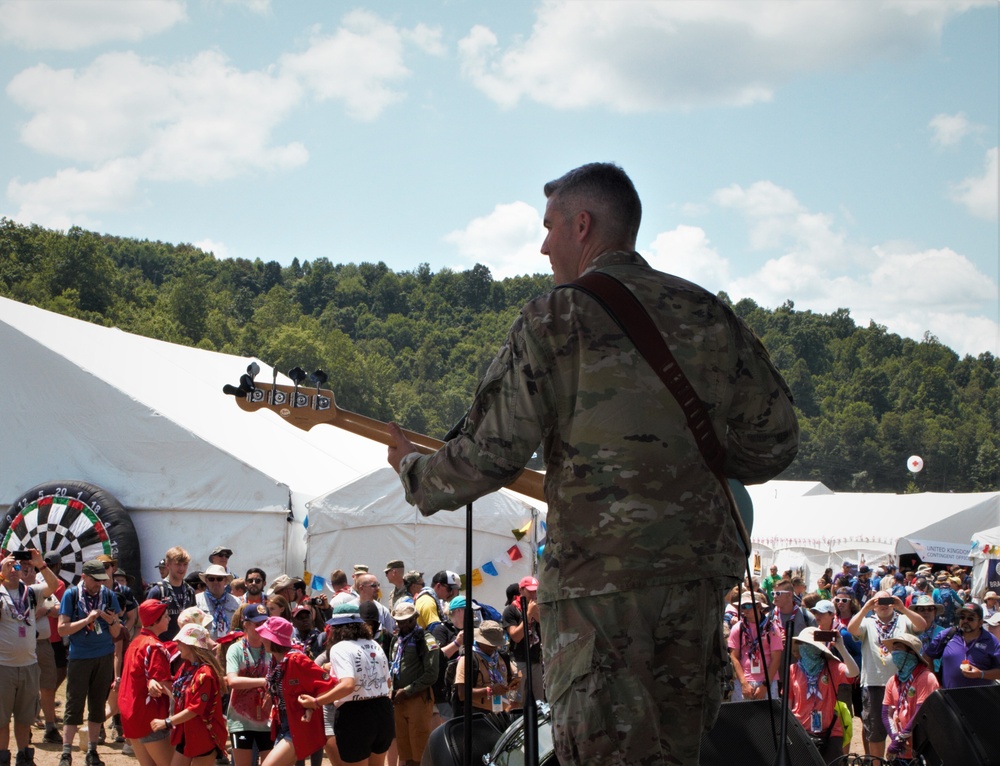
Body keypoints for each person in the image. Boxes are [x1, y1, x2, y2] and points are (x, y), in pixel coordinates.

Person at [387, 162, 799, 766]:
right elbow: (777, 440)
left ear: (582, 226)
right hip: (695, 585)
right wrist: (685, 468)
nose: (543, 246)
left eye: (549, 228)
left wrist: (413, 471)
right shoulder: (707, 313)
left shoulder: (555, 318)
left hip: (598, 595)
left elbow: (489, 455)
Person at [299, 604, 394, 766]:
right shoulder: (374, 644)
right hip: (383, 710)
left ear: (336, 628)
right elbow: (388, 681)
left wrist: (316, 702)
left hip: (355, 714)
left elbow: (348, 685)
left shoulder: (339, 648)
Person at [58, 559, 123, 766]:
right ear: (84, 577)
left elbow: (117, 632)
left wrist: (111, 620)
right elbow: (62, 629)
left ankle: (92, 751)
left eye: (102, 580)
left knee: (97, 705)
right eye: (95, 580)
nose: (99, 584)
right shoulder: (71, 595)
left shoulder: (108, 595)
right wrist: (87, 620)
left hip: (104, 656)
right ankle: (66, 753)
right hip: (79, 657)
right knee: (74, 704)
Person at [847, 590, 927, 758]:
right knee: (875, 731)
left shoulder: (903, 619)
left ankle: (900, 761)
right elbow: (851, 629)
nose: (883, 605)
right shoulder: (867, 622)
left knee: (904, 725)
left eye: (887, 601)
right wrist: (866, 608)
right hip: (874, 683)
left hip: (903, 682)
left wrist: (902, 608)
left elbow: (922, 625)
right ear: (873, 605)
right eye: (879, 602)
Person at [1, 549, 60, 766]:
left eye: (17, 566)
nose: (14, 570)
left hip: (29, 665)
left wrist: (41, 564)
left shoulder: (31, 592)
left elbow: (53, 586)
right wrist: (1, 574)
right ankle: (3, 757)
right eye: (10, 566)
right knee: (2, 720)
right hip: (3, 666)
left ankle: (24, 756)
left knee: (25, 717)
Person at [256, 618, 333, 766]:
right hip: (284, 724)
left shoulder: (296, 659)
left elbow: (328, 684)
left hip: (297, 726)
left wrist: (313, 705)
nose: (261, 638)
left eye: (265, 635)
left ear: (273, 640)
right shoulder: (275, 660)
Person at [150, 623, 229, 766]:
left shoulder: (205, 675)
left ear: (191, 645)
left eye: (180, 642)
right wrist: (154, 682)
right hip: (186, 732)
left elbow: (195, 709)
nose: (177, 645)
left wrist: (167, 722)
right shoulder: (187, 667)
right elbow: (176, 688)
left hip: (203, 735)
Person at [786, 627, 859, 763]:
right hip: (801, 731)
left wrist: (841, 647)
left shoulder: (831, 666)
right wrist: (789, 731)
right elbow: (788, 703)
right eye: (802, 644)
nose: (805, 647)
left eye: (809, 644)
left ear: (817, 648)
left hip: (831, 731)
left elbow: (854, 672)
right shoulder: (793, 670)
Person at [119, 600, 173, 766]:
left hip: (131, 712)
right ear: (155, 621)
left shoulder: (135, 642)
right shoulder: (154, 646)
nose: (169, 619)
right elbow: (164, 685)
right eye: (166, 616)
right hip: (149, 715)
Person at [388, 603, 439, 766]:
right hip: (399, 700)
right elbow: (392, 667)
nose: (403, 625)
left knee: (420, 748)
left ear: (415, 618)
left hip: (418, 699)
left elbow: (431, 674)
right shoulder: (396, 640)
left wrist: (407, 690)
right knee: (405, 749)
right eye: (399, 622)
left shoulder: (426, 640)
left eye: (407, 621)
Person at [224, 605, 273, 766]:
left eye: (265, 623)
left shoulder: (271, 648)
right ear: (246, 624)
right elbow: (233, 681)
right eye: (258, 624)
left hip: (267, 720)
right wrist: (265, 681)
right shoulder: (236, 649)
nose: (263, 628)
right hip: (240, 721)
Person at [881, 634, 940, 761]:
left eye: (898, 649)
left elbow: (922, 713)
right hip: (901, 749)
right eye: (893, 650)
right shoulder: (893, 680)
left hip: (922, 748)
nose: (894, 653)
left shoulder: (925, 678)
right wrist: (896, 739)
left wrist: (901, 739)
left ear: (911, 653)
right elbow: (886, 713)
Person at [923, 602, 1000, 688]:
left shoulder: (991, 641)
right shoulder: (948, 634)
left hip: (980, 696)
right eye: (962, 617)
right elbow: (927, 656)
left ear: (980, 623)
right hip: (948, 695)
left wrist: (981, 674)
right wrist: (935, 683)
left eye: (970, 618)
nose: (965, 621)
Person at [727, 591, 781, 701]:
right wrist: (744, 683)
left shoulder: (772, 628)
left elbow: (776, 658)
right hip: (743, 681)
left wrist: (765, 686)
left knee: (767, 713)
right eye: (742, 606)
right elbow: (734, 656)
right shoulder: (738, 628)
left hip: (768, 681)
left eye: (748, 605)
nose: (745, 609)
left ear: (758, 606)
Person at [454, 621, 518, 713]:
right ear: (480, 641)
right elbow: (462, 694)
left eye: (496, 643)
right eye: (491, 644)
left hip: (500, 711)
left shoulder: (502, 656)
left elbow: (510, 676)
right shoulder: (468, 659)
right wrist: (491, 690)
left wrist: (512, 683)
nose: (495, 647)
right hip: (477, 714)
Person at [501, 575, 544, 704]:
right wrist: (528, 615)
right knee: (516, 702)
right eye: (530, 591)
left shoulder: (539, 607)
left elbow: (547, 629)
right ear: (521, 590)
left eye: (536, 591)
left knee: (539, 701)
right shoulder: (510, 610)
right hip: (518, 661)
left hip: (535, 659)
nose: (534, 594)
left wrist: (537, 614)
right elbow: (516, 636)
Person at [146, 547, 197, 640]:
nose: (182, 568)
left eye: (185, 564)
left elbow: (195, 620)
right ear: (167, 565)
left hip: (185, 645)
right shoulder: (158, 591)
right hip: (162, 645)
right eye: (178, 564)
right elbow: (146, 624)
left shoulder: (190, 591)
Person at [196, 566, 240, 639]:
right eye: (211, 579)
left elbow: (240, 628)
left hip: (230, 644)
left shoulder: (236, 602)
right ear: (206, 581)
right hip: (205, 644)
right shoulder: (197, 601)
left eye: (219, 579)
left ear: (225, 581)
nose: (215, 582)